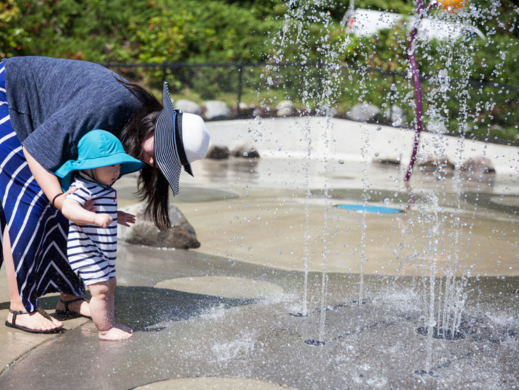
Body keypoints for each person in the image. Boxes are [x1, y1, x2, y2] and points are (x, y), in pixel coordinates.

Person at [0, 56, 210, 334]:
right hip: (9, 93)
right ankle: (20, 308)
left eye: (167, 162)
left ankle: (69, 297)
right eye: (162, 153)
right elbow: (36, 151)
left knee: (78, 198)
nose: (154, 163)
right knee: (34, 193)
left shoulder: (132, 132)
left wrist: (77, 204)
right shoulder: (111, 104)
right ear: (159, 125)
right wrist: (59, 200)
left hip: (37, 116)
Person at [56, 130, 144, 340]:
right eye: (111, 166)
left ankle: (110, 322)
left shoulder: (102, 187)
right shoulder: (82, 187)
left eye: (118, 166)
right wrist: (94, 218)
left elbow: (103, 209)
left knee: (110, 286)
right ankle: (105, 329)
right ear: (90, 168)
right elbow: (68, 208)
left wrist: (117, 214)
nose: (116, 171)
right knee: (100, 290)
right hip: (87, 250)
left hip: (104, 251)